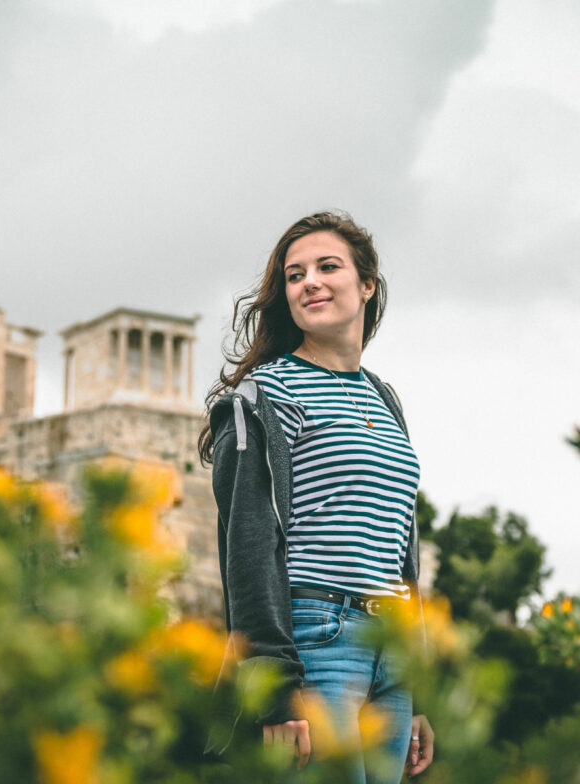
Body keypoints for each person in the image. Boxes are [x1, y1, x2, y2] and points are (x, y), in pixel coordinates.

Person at [199, 211, 434, 783]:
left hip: (392, 651)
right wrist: (275, 685)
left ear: (367, 284)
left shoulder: (384, 399)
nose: (310, 282)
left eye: (328, 267)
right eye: (295, 274)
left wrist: (421, 687)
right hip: (313, 640)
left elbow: (399, 550)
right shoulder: (264, 395)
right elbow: (248, 548)